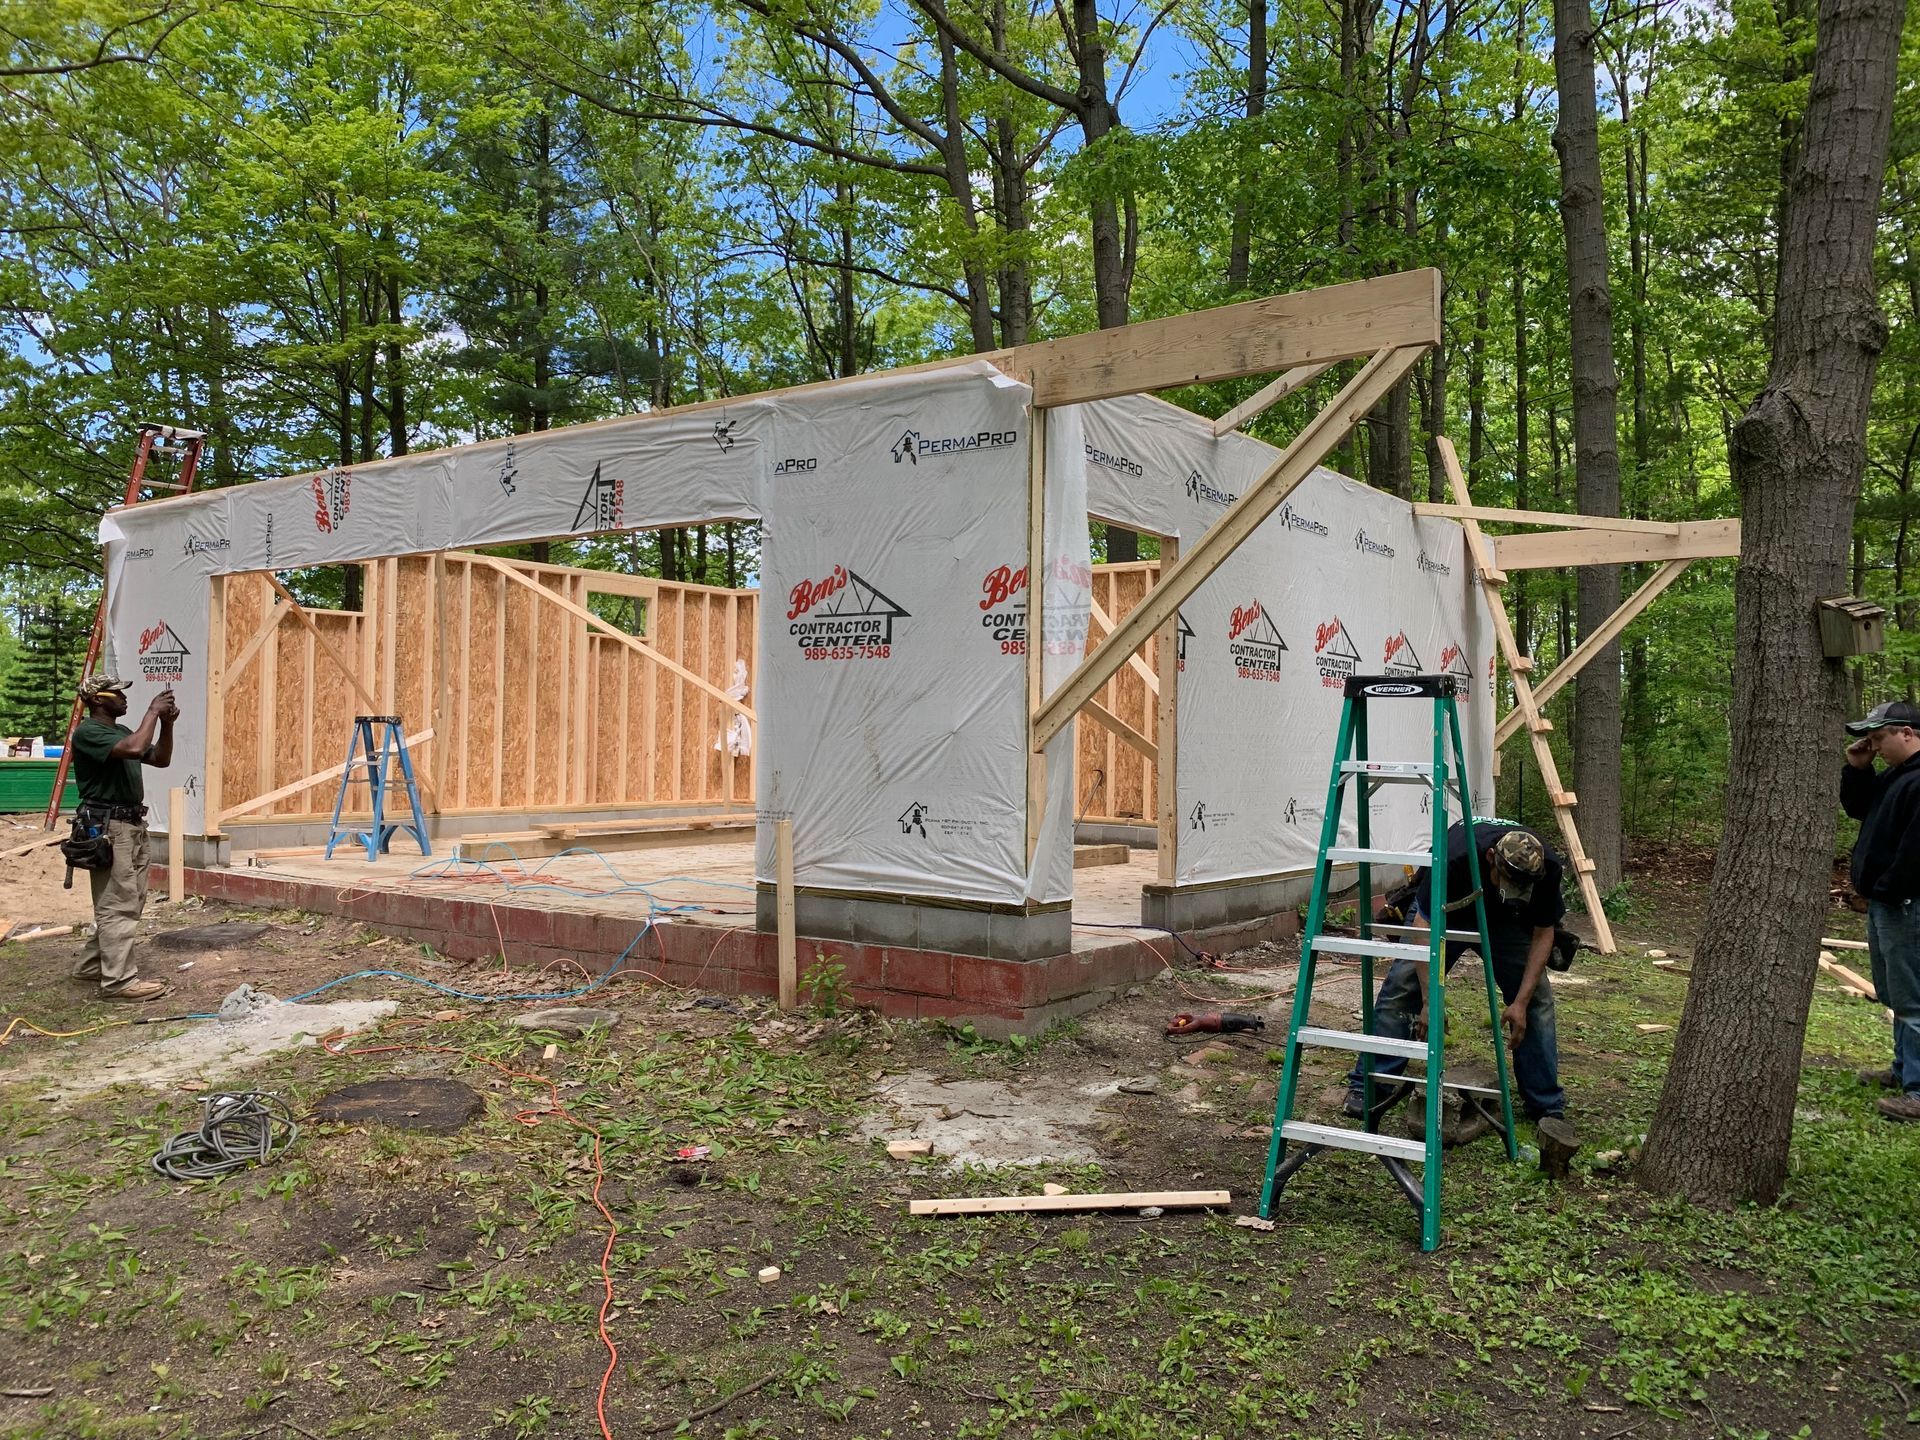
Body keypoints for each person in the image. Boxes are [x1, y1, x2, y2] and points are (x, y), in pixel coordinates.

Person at [1344, 820, 1576, 1161]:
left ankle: (1545, 1103)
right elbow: (1424, 925)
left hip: (1507, 921)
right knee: (1402, 987)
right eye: (1510, 881)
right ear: (1491, 857)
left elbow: (1544, 934)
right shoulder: (1455, 858)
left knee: (1537, 1001)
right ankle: (1369, 1085)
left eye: (1522, 885)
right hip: (1447, 911)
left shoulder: (1545, 868)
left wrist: (1521, 1001)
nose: (1517, 887)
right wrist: (1430, 1000)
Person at [68, 674, 178, 1001]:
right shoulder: (89, 732)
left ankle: (92, 965)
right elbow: (134, 749)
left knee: (131, 899)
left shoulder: (121, 731)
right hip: (109, 828)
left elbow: (159, 758)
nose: (123, 697)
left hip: (131, 825)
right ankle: (118, 982)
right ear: (98, 699)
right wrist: (152, 712)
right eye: (116, 693)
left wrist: (167, 725)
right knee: (118, 902)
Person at [1840, 699, 1920, 1122]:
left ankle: (1919, 1090)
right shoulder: (1897, 776)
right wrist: (1858, 768)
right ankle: (1904, 1070)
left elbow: (1915, 853)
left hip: (1907, 904)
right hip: (1887, 903)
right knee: (1894, 993)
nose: (1873, 745)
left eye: (1878, 738)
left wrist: (1889, 889)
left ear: (1907, 733)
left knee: (1914, 997)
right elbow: (1858, 808)